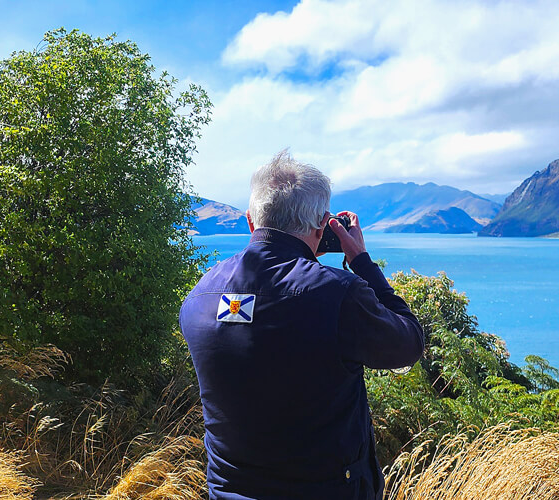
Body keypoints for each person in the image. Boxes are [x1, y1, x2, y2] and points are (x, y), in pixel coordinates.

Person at [179, 150, 425, 499]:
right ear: (323, 226)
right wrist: (363, 263)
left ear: (251, 222)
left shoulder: (199, 296)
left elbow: (261, 333)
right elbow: (409, 342)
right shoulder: (339, 295)